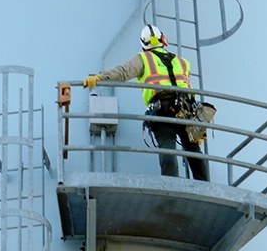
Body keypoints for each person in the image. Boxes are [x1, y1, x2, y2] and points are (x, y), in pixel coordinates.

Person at [83, 24, 209, 181]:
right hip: (186, 110)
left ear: (144, 46)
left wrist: (100, 77)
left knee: (168, 152)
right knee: (194, 152)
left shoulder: (143, 59)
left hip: (162, 110)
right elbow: (186, 87)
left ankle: (172, 186)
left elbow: (123, 72)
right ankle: (205, 184)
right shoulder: (183, 62)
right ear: (163, 39)